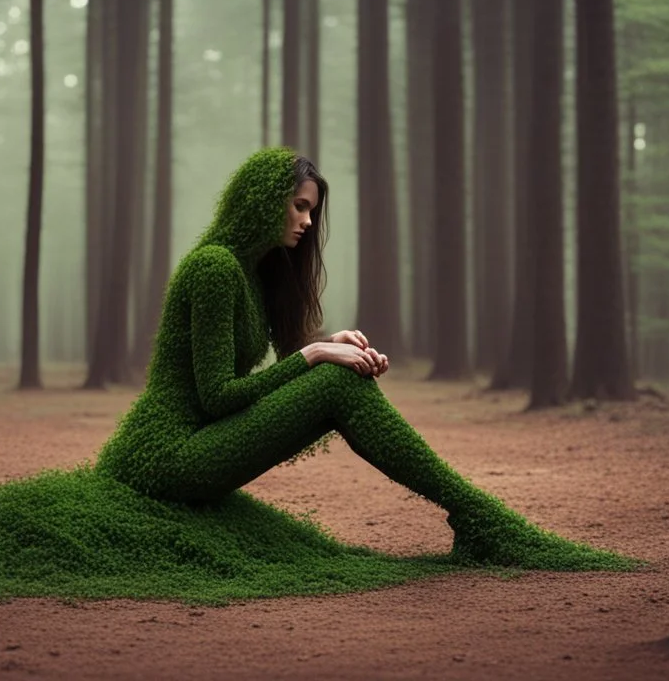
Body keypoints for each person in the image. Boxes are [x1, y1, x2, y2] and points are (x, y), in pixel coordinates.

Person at [96, 147, 620, 569]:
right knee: (334, 382)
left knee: (337, 379)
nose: (306, 221)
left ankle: (473, 515)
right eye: (299, 205)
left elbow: (280, 377)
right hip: (168, 458)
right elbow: (215, 400)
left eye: (312, 210)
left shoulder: (258, 277)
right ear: (262, 200)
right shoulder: (215, 268)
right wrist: (315, 354)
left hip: (197, 447)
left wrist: (331, 343)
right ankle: (476, 516)